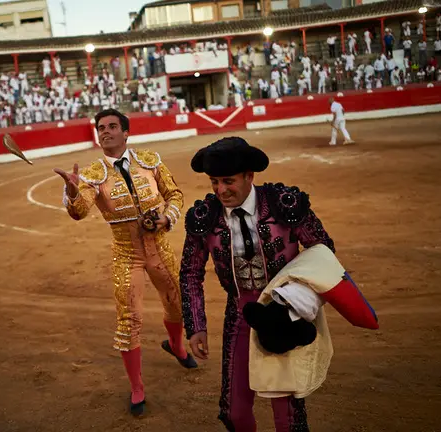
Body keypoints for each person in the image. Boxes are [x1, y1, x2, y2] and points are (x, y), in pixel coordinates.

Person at [179, 137, 337, 431]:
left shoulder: (282, 204)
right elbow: (190, 272)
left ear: (249, 176)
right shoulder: (206, 216)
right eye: (214, 181)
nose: (220, 190)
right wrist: (196, 324)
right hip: (239, 314)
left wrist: (296, 299)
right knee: (235, 412)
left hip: (284, 311)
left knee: (287, 413)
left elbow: (322, 249)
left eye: (228, 181)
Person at [54, 108, 196, 417]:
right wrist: (72, 189)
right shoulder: (93, 175)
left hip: (159, 247)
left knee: (177, 304)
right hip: (126, 254)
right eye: (100, 127)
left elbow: (175, 195)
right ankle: (136, 386)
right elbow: (79, 212)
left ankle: (176, 345)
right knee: (129, 320)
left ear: (126, 132)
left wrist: (165, 217)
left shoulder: (150, 160)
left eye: (111, 126)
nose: (105, 131)